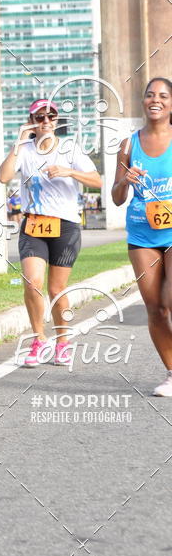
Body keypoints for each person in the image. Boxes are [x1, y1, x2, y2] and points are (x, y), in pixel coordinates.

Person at [0, 98, 102, 366]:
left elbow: (97, 181)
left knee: (57, 288)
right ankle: (38, 340)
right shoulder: (24, 149)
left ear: (56, 121)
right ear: (32, 122)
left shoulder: (70, 149)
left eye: (50, 117)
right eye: (39, 118)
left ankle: (63, 342)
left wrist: (69, 171)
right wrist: (19, 141)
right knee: (32, 282)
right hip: (33, 225)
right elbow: (3, 176)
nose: (45, 122)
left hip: (64, 226)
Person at [111, 77, 172, 396]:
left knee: (170, 299)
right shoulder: (129, 144)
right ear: (144, 102)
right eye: (150, 95)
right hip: (142, 234)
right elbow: (116, 196)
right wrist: (126, 181)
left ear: (171, 103)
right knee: (155, 309)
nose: (155, 100)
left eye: (163, 95)